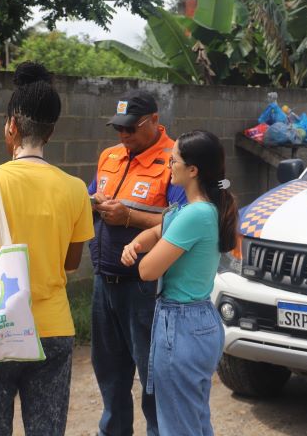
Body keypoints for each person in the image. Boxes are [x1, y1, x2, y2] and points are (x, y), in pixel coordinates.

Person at [0, 61, 95, 436]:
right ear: (50, 131)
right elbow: (71, 262)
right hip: (53, 330)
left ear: (12, 127)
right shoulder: (75, 188)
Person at [121, 130, 238, 436]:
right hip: (195, 321)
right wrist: (136, 242)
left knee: (177, 426)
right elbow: (159, 232)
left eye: (173, 160)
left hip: (182, 325)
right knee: (193, 421)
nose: (167, 166)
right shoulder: (193, 209)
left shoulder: (195, 214)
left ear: (193, 170)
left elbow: (147, 270)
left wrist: (141, 255)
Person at [89, 90, 186, 436]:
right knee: (109, 376)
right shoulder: (110, 156)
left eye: (131, 129)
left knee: (153, 380)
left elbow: (183, 221)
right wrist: (93, 202)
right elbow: (90, 197)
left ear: (155, 121)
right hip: (104, 283)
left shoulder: (175, 160)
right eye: (118, 129)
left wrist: (129, 216)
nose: (124, 136)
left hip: (145, 289)